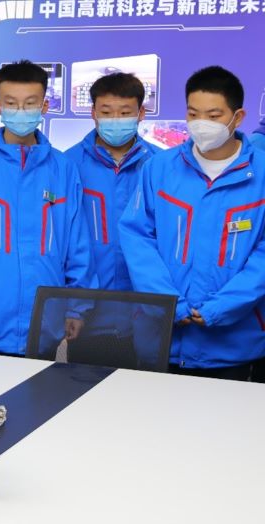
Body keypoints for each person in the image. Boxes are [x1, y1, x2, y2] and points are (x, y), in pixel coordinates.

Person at [119, 66, 265, 380]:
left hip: (234, 345)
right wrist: (169, 303)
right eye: (193, 114)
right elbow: (137, 237)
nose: (201, 124)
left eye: (213, 116)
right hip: (161, 339)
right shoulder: (159, 168)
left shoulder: (261, 174)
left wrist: (223, 306)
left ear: (238, 117)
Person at [0, 60, 95, 355]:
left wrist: (77, 308)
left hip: (47, 320)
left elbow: (77, 245)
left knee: (41, 386)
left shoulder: (63, 169)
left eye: (30, 103)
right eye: (11, 103)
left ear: (44, 106)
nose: (20, 111)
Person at [64, 73, 160, 366]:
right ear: (93, 113)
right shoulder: (67, 165)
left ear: (141, 114)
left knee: (150, 392)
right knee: (85, 390)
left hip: (149, 315)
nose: (115, 120)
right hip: (90, 318)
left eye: (125, 112)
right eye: (106, 112)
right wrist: (74, 307)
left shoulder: (160, 166)